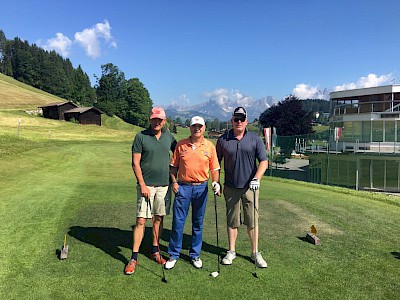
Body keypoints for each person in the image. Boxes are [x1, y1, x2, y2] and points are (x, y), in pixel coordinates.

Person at [124, 106, 177, 275]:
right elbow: (135, 163)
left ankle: (155, 250)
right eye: (154, 119)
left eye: (160, 119)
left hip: (164, 185)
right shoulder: (141, 137)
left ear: (164, 121)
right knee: (141, 220)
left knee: (159, 218)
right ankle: (134, 257)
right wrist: (142, 184)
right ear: (150, 119)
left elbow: (180, 156)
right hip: (146, 186)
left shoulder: (169, 137)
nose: (157, 122)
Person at [165, 116, 221, 270]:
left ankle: (195, 254)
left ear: (204, 128)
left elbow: (215, 168)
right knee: (178, 222)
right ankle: (174, 254)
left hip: (201, 188)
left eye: (200, 126)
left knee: (198, 223)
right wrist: (174, 182)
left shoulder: (210, 146)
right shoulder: (181, 145)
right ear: (190, 127)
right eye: (194, 126)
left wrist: (215, 182)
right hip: (183, 186)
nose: (197, 129)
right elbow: (173, 167)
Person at [216, 106, 269, 268]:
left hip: (250, 188)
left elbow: (264, 161)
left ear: (246, 121)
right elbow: (215, 164)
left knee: (252, 220)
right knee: (232, 220)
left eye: (242, 119)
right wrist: (216, 182)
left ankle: (255, 253)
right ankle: (231, 251)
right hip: (231, 187)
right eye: (236, 119)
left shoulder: (254, 138)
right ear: (232, 121)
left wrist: (256, 178)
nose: (239, 122)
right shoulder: (223, 140)